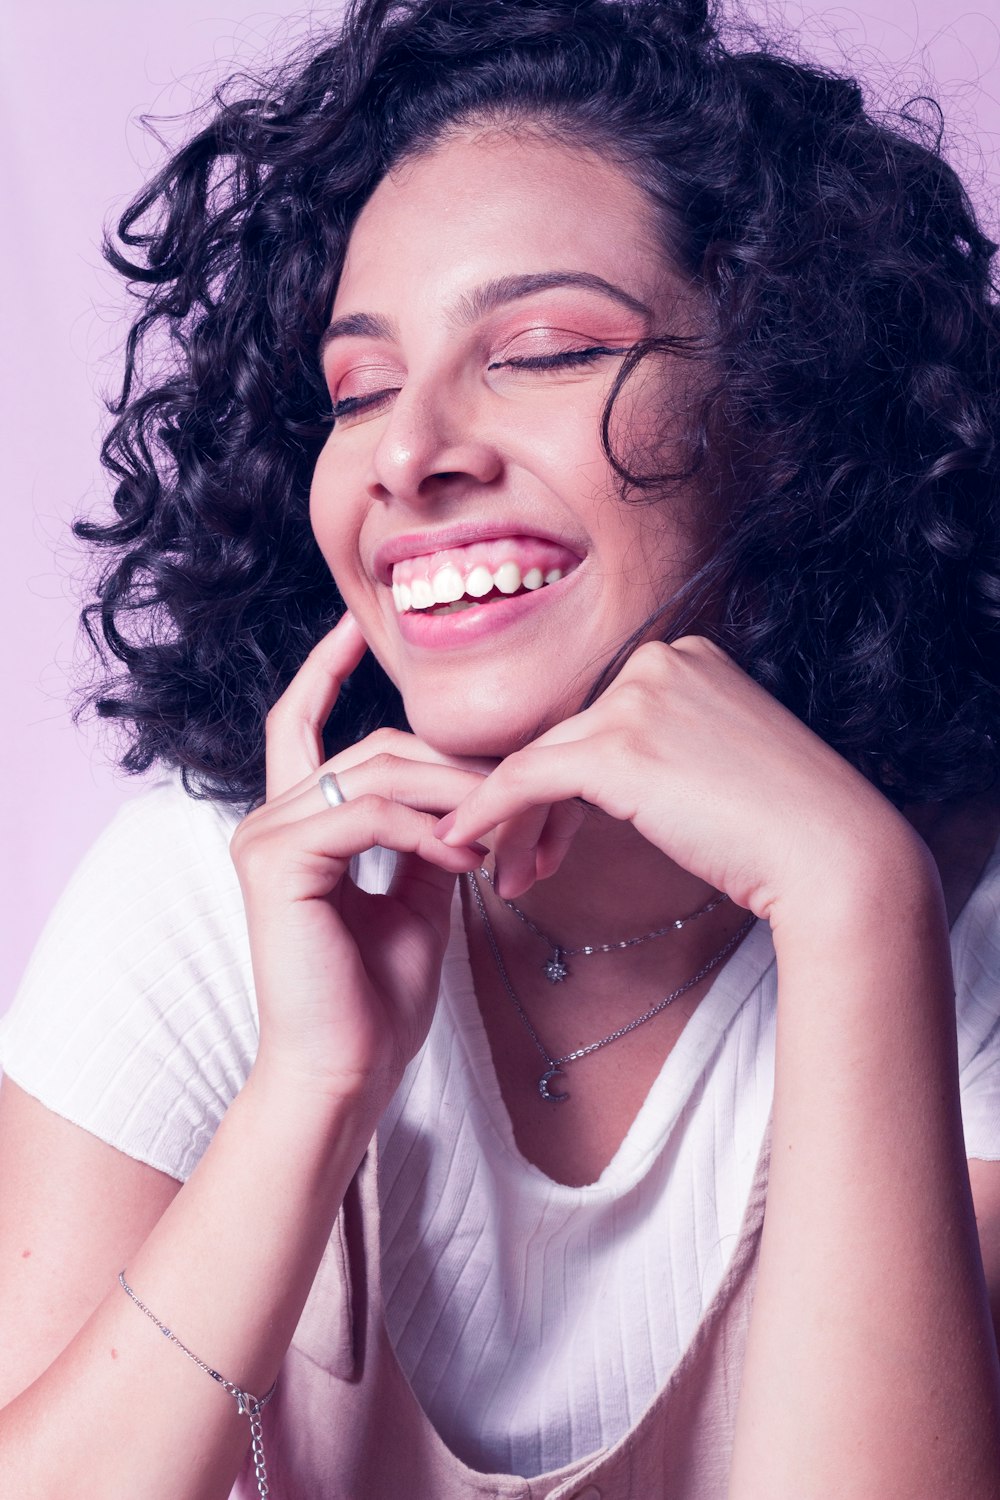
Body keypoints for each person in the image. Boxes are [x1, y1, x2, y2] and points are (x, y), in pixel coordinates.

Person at [2, 0, 1000, 1493]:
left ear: (789, 404)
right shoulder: (201, 893)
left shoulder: (953, 922)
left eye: (539, 351)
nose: (411, 455)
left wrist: (856, 901)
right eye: (359, 390)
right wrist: (309, 1091)